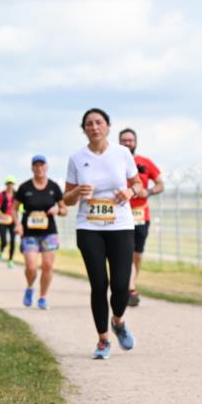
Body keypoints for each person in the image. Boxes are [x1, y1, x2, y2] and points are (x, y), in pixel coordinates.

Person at [64, 108, 143, 359]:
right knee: (99, 284)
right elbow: (66, 199)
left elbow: (139, 184)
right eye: (89, 123)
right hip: (89, 227)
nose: (94, 127)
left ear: (108, 126)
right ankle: (102, 340)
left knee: (120, 286)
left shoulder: (121, 154)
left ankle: (117, 322)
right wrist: (77, 193)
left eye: (99, 122)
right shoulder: (77, 158)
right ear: (84, 129)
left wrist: (130, 193)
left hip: (120, 226)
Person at [14, 156, 66, 310]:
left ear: (47, 167)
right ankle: (30, 287)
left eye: (41, 165)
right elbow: (13, 208)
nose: (39, 168)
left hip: (49, 232)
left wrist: (58, 209)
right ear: (32, 168)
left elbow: (64, 210)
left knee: (47, 266)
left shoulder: (54, 187)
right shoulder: (24, 188)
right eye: (36, 165)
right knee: (31, 267)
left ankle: (43, 297)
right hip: (29, 233)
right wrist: (18, 224)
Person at [119, 128, 164, 306]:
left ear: (135, 142)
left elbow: (161, 184)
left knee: (137, 254)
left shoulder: (145, 162)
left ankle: (131, 283)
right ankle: (130, 289)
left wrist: (149, 191)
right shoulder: (115, 162)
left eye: (130, 140)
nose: (127, 143)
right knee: (127, 252)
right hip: (121, 215)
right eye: (124, 140)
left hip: (141, 215)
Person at [0, 175, 17, 267]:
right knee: (4, 240)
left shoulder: (17, 195)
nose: (10, 185)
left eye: (11, 184)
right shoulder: (1, 195)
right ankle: (0, 251)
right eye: (8, 184)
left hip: (13, 220)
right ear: (6, 185)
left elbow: (22, 205)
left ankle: (10, 260)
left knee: (12, 241)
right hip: (2, 220)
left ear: (13, 185)